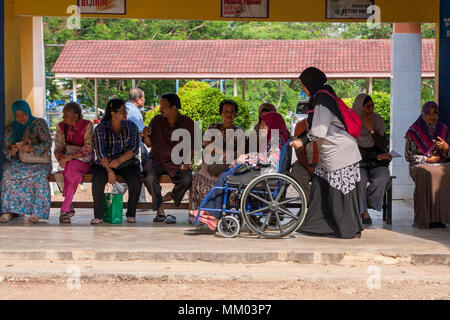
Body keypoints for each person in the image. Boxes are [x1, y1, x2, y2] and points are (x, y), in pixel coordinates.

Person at [290, 67, 363, 239]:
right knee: (320, 187)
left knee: (339, 191)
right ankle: (318, 225)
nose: (302, 88)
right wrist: (299, 138)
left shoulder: (322, 98)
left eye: (303, 84)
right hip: (331, 152)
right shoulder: (321, 96)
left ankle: (346, 229)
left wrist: (302, 141)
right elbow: (314, 126)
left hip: (340, 153)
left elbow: (320, 129)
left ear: (310, 82)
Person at [192, 111, 290, 231]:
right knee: (227, 174)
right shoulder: (275, 138)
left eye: (264, 124)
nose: (261, 127)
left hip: (265, 175)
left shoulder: (275, 139)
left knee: (225, 177)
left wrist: (246, 158)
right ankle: (211, 212)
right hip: (263, 172)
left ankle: (212, 214)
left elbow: (272, 158)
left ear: (273, 125)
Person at [142, 93, 194, 224]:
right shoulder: (156, 120)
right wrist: (146, 134)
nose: (160, 109)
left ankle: (171, 196)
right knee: (149, 177)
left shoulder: (188, 122)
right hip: (157, 160)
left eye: (164, 106)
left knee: (188, 178)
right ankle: (160, 210)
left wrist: (187, 163)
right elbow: (149, 144)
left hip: (177, 163)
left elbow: (192, 146)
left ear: (174, 108)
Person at [0, 100, 52, 224]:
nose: (21, 118)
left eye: (23, 114)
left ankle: (37, 213)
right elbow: (5, 148)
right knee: (7, 174)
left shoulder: (39, 124)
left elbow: (48, 143)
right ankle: (9, 211)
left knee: (40, 177)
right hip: (19, 161)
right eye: (17, 115)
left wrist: (32, 148)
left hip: (38, 162)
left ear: (28, 111)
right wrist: (12, 152)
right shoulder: (11, 128)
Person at [91, 98, 141, 225]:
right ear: (113, 114)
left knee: (136, 179)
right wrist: (109, 171)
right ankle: (99, 215)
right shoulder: (101, 128)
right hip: (105, 162)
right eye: (122, 111)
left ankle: (131, 213)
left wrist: (119, 160)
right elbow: (100, 153)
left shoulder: (131, 126)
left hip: (126, 161)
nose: (126, 114)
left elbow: (134, 148)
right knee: (97, 179)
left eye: (126, 111)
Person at [191, 99, 244, 211]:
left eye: (232, 111)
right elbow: (208, 145)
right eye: (226, 111)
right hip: (211, 160)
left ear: (235, 114)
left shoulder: (239, 130)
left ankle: (221, 209)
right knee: (198, 175)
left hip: (230, 162)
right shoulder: (213, 127)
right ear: (221, 113)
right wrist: (225, 152)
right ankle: (201, 210)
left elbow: (239, 152)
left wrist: (220, 152)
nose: (229, 114)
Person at [405, 101, 450, 229]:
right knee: (426, 173)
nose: (432, 116)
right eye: (429, 113)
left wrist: (447, 148)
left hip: (440, 163)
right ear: (423, 114)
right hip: (419, 165)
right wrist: (427, 159)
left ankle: (441, 218)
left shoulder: (444, 130)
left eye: (435, 113)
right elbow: (409, 156)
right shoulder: (413, 132)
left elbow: (447, 154)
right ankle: (425, 218)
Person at [353, 93, 392, 225]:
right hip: (359, 163)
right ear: (359, 107)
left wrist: (371, 129)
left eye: (372, 106)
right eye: (367, 107)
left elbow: (382, 144)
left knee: (384, 176)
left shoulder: (378, 120)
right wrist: (376, 156)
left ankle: (363, 203)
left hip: (376, 163)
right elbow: (353, 149)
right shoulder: (351, 122)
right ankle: (364, 212)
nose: (371, 110)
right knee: (358, 178)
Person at [54, 102, 94, 223]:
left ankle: (66, 207)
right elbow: (58, 147)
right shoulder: (61, 126)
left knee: (70, 168)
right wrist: (61, 158)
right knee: (71, 171)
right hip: (67, 161)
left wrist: (71, 156)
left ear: (76, 116)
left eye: (65, 115)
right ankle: (66, 208)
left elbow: (88, 147)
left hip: (84, 160)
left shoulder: (87, 125)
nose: (63, 118)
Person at [125, 88, 148, 203]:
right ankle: (140, 201)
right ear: (138, 100)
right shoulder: (135, 112)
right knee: (137, 172)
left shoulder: (124, 108)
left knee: (140, 171)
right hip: (132, 149)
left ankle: (141, 200)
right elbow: (141, 133)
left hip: (120, 149)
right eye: (143, 99)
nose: (144, 101)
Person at [289, 118, 318, 199]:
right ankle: (311, 201)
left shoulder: (325, 123)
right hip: (305, 161)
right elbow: (299, 152)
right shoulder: (300, 125)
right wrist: (308, 167)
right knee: (296, 175)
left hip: (322, 161)